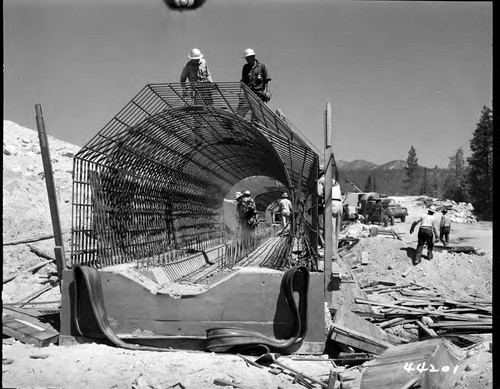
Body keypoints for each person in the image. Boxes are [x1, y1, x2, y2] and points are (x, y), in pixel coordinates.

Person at [317, 165, 343, 259]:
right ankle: (335, 252)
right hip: (340, 204)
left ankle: (331, 255)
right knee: (336, 231)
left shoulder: (321, 180)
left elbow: (319, 193)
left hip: (331, 204)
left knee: (330, 231)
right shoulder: (334, 181)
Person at [237, 48, 271, 118]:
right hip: (248, 94)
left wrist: (267, 92)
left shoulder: (261, 66)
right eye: (246, 58)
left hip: (259, 95)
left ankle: (255, 125)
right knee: (239, 113)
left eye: (248, 58)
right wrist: (241, 94)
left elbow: (267, 79)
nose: (246, 60)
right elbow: (243, 81)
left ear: (253, 57)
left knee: (256, 116)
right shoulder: (245, 68)